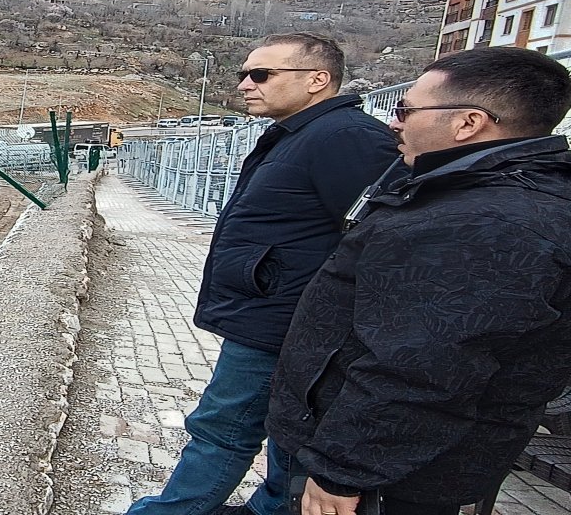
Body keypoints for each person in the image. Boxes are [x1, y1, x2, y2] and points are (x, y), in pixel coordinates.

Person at [266, 46, 571, 515]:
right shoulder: (487, 196)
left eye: (406, 109)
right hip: (398, 465)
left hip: (385, 478)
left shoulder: (485, 224)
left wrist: (341, 472)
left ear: (467, 122)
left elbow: (420, 368)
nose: (394, 122)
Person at [127, 32, 401, 515]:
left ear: (318, 80)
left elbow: (379, 242)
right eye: (243, 74)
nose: (245, 85)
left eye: (261, 74)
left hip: (286, 321)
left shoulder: (345, 138)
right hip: (276, 313)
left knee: (224, 427)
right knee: (277, 433)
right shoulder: (304, 134)